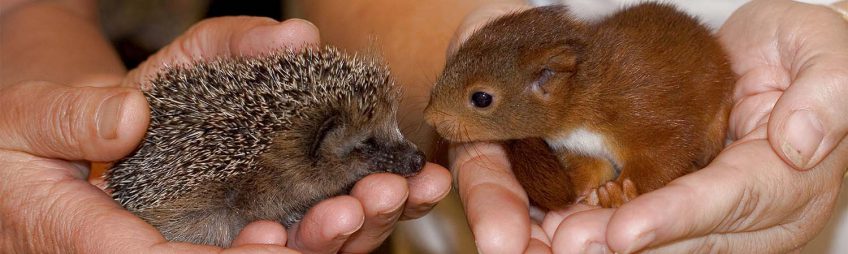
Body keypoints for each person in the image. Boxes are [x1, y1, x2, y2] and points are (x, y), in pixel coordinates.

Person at [0, 0, 454, 252]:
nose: (407, 155)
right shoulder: (272, 166)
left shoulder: (313, 162)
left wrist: (89, 91)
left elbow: (30, 8)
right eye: (370, 145)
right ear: (314, 147)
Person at [447, 0, 848, 253]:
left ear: (547, 84)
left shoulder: (621, 103)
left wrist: (839, 17)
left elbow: (672, 138)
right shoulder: (562, 114)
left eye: (480, 100)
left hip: (708, 98)